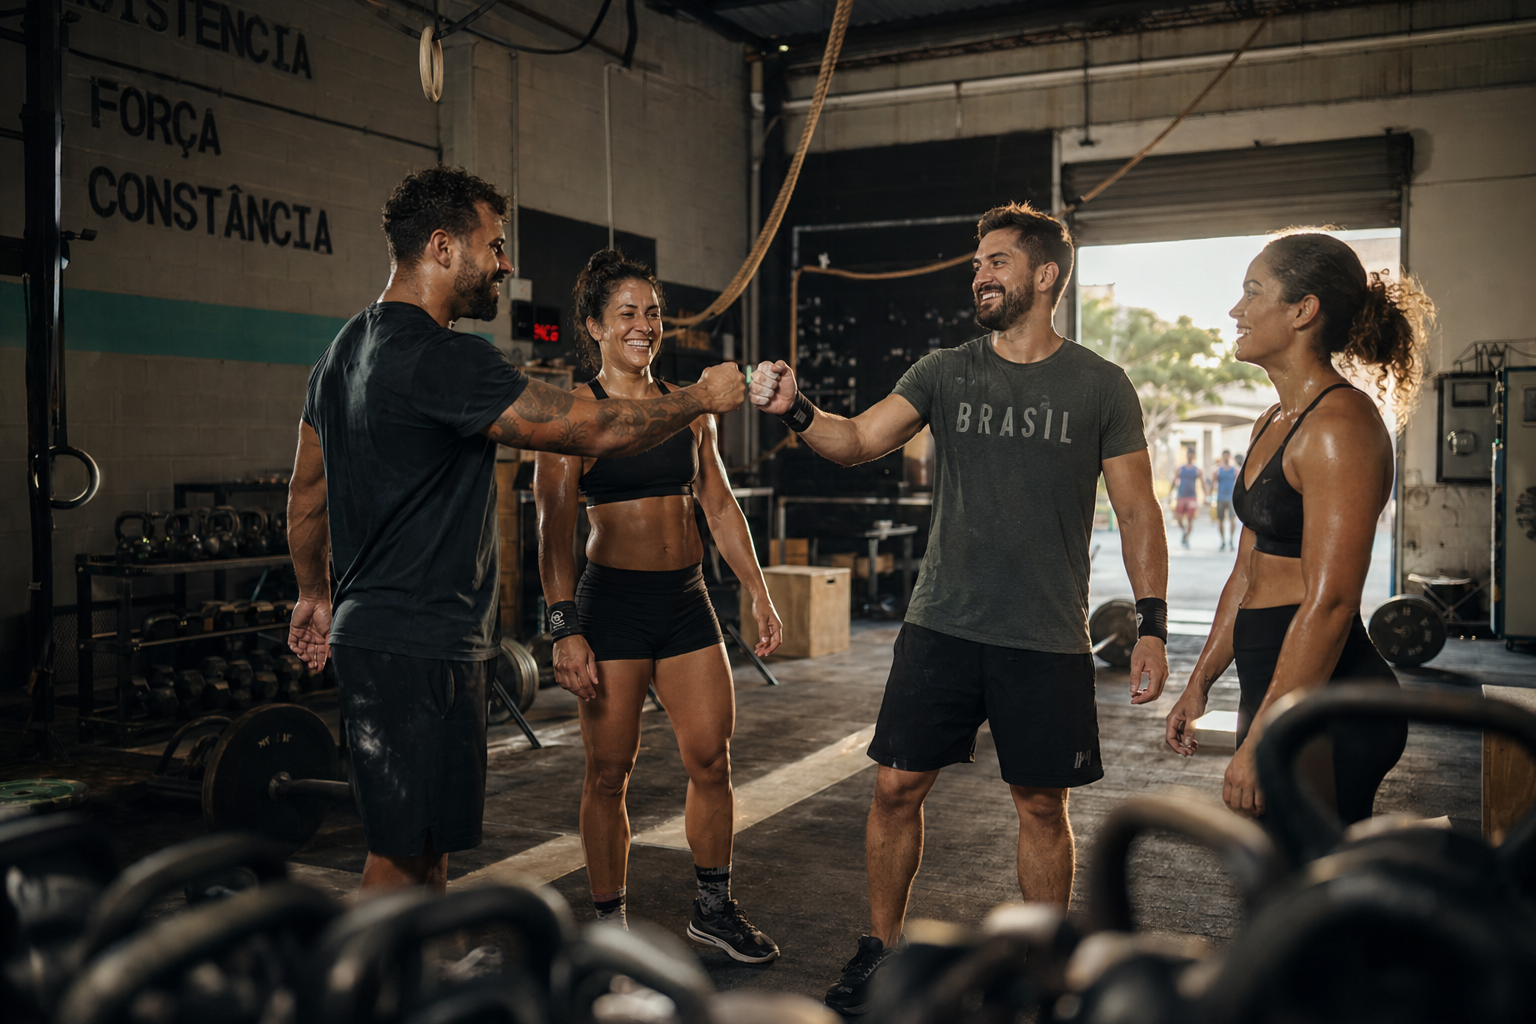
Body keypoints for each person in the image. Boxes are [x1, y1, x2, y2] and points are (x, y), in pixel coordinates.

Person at [749, 202, 1170, 1016]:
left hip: (1046, 632)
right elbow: (857, 440)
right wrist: (797, 409)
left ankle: (1044, 972)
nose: (980, 274)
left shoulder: (1100, 385)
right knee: (895, 788)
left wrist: (1150, 623)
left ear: (1045, 275)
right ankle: (881, 950)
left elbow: (1137, 511)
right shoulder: (945, 370)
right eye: (977, 263)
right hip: (942, 621)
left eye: (997, 261)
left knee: (1042, 804)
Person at [286, 167, 744, 894]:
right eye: (494, 245)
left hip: (381, 634)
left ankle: (420, 965)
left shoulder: (340, 354)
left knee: (424, 852)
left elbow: (306, 493)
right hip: (422, 642)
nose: (505, 264)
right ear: (442, 247)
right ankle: (363, 966)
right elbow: (594, 430)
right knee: (400, 860)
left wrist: (314, 591)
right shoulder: (446, 358)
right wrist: (697, 398)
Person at [533, 250, 783, 962]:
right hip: (611, 605)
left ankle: (713, 908)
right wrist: (564, 629)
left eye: (652, 313)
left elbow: (719, 506)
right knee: (609, 773)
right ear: (594, 326)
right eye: (627, 313)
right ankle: (607, 923)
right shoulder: (572, 415)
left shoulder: (689, 407)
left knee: (712, 759)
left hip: (686, 600)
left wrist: (758, 591)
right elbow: (553, 530)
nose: (644, 325)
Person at [1164, 232, 1432, 823]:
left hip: (1326, 695)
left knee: (1312, 872)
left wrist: (1265, 736)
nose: (1236, 310)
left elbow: (1332, 602)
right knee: (1275, 864)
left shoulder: (1340, 426)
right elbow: (1246, 572)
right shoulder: (1271, 421)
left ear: (1303, 310)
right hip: (1273, 681)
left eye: (1252, 292)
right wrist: (1199, 682)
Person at [1171, 447, 1205, 548]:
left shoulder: (1197, 470)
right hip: (1181, 496)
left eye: (1191, 455)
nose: (1190, 457)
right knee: (1178, 518)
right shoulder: (1180, 469)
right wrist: (1170, 494)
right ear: (1186, 455)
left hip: (1192, 497)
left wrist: (1206, 495)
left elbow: (1203, 483)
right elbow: (1174, 481)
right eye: (1188, 455)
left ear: (1193, 456)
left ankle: (1186, 538)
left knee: (1190, 519)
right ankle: (1185, 532)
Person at [1211, 449, 1240, 551]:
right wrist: (1209, 497)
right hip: (1220, 498)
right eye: (1224, 456)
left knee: (1232, 520)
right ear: (1222, 457)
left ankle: (1231, 540)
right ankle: (1223, 541)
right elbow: (1213, 483)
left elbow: (1240, 483)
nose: (1226, 458)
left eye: (1227, 456)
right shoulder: (1217, 470)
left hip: (1231, 498)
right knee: (1220, 520)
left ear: (1230, 457)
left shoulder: (1235, 469)